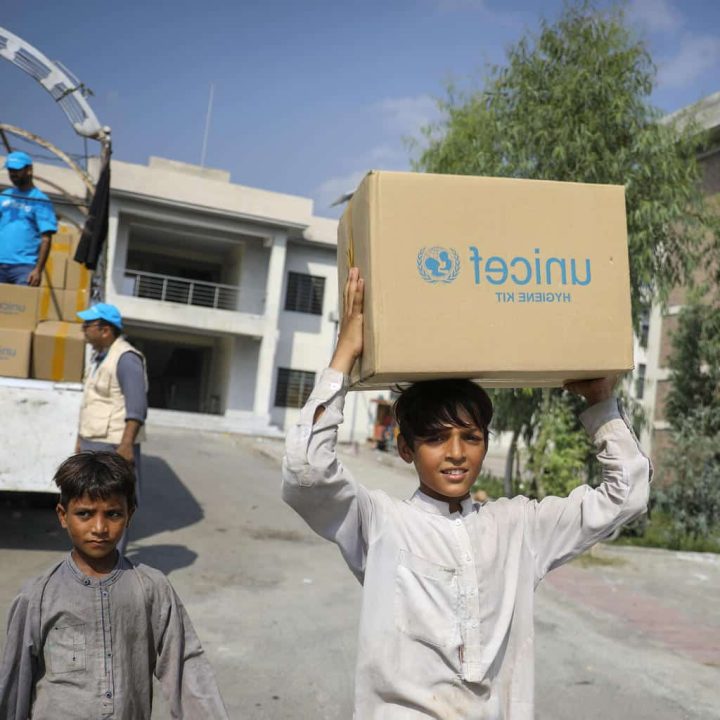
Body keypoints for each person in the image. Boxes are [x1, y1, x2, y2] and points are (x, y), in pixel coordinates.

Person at [282, 267, 652, 719]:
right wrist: (343, 355)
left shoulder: (519, 527)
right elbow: (307, 471)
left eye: (470, 437)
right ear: (405, 448)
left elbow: (628, 493)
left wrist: (600, 404)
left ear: (486, 443)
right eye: (437, 439)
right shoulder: (380, 523)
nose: (456, 454)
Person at [0, 451, 229, 720]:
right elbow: (15, 681)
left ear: (129, 515)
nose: (99, 527)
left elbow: (186, 666)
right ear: (63, 516)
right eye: (84, 514)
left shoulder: (151, 587)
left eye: (113, 514)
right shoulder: (38, 596)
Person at [75, 303, 147, 555]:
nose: (84, 330)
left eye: (88, 325)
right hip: (93, 442)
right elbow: (90, 404)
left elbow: (137, 406)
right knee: (90, 504)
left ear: (106, 330)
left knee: (113, 506)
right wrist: (79, 441)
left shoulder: (126, 359)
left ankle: (113, 567)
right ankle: (94, 562)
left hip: (113, 445)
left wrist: (126, 445)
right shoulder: (99, 358)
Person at [0, 151, 57, 286]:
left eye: (17, 170)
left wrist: (38, 270)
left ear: (29, 170)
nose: (13, 174)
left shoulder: (40, 200)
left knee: (20, 306)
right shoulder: (4, 196)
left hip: (24, 267)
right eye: (10, 170)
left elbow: (46, 238)